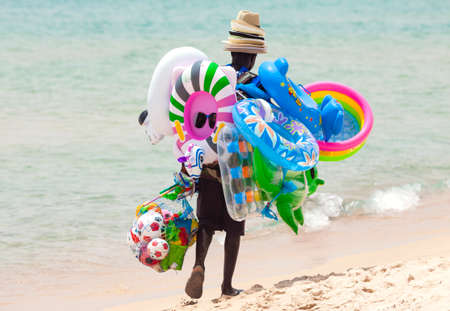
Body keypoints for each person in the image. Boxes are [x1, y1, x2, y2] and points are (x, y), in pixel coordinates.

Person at [184, 10, 266, 299]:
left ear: (231, 50)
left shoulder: (214, 77)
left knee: (206, 222)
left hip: (209, 161)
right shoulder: (258, 85)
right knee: (234, 227)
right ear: (254, 57)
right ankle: (227, 285)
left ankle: (198, 265)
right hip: (239, 167)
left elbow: (192, 115)